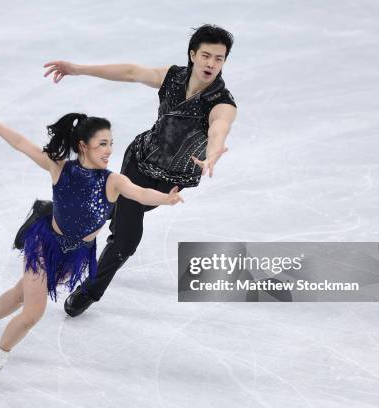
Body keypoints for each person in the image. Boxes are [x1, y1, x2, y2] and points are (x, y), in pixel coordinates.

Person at [0, 109, 183, 389]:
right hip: (44, 244)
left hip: (75, 255)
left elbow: (140, 193)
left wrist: (165, 199)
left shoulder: (113, 181)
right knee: (33, 313)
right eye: (102, 144)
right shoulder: (60, 168)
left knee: (20, 293)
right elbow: (21, 144)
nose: (109, 150)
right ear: (83, 146)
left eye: (110, 143)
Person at [43, 24, 237, 317]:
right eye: (206, 55)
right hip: (139, 161)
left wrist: (212, 154)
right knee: (125, 238)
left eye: (219, 58)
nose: (211, 64)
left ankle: (47, 214)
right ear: (193, 54)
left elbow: (219, 128)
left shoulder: (222, 102)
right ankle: (90, 291)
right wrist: (79, 69)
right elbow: (132, 72)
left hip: (170, 181)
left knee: (114, 212)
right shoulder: (172, 77)